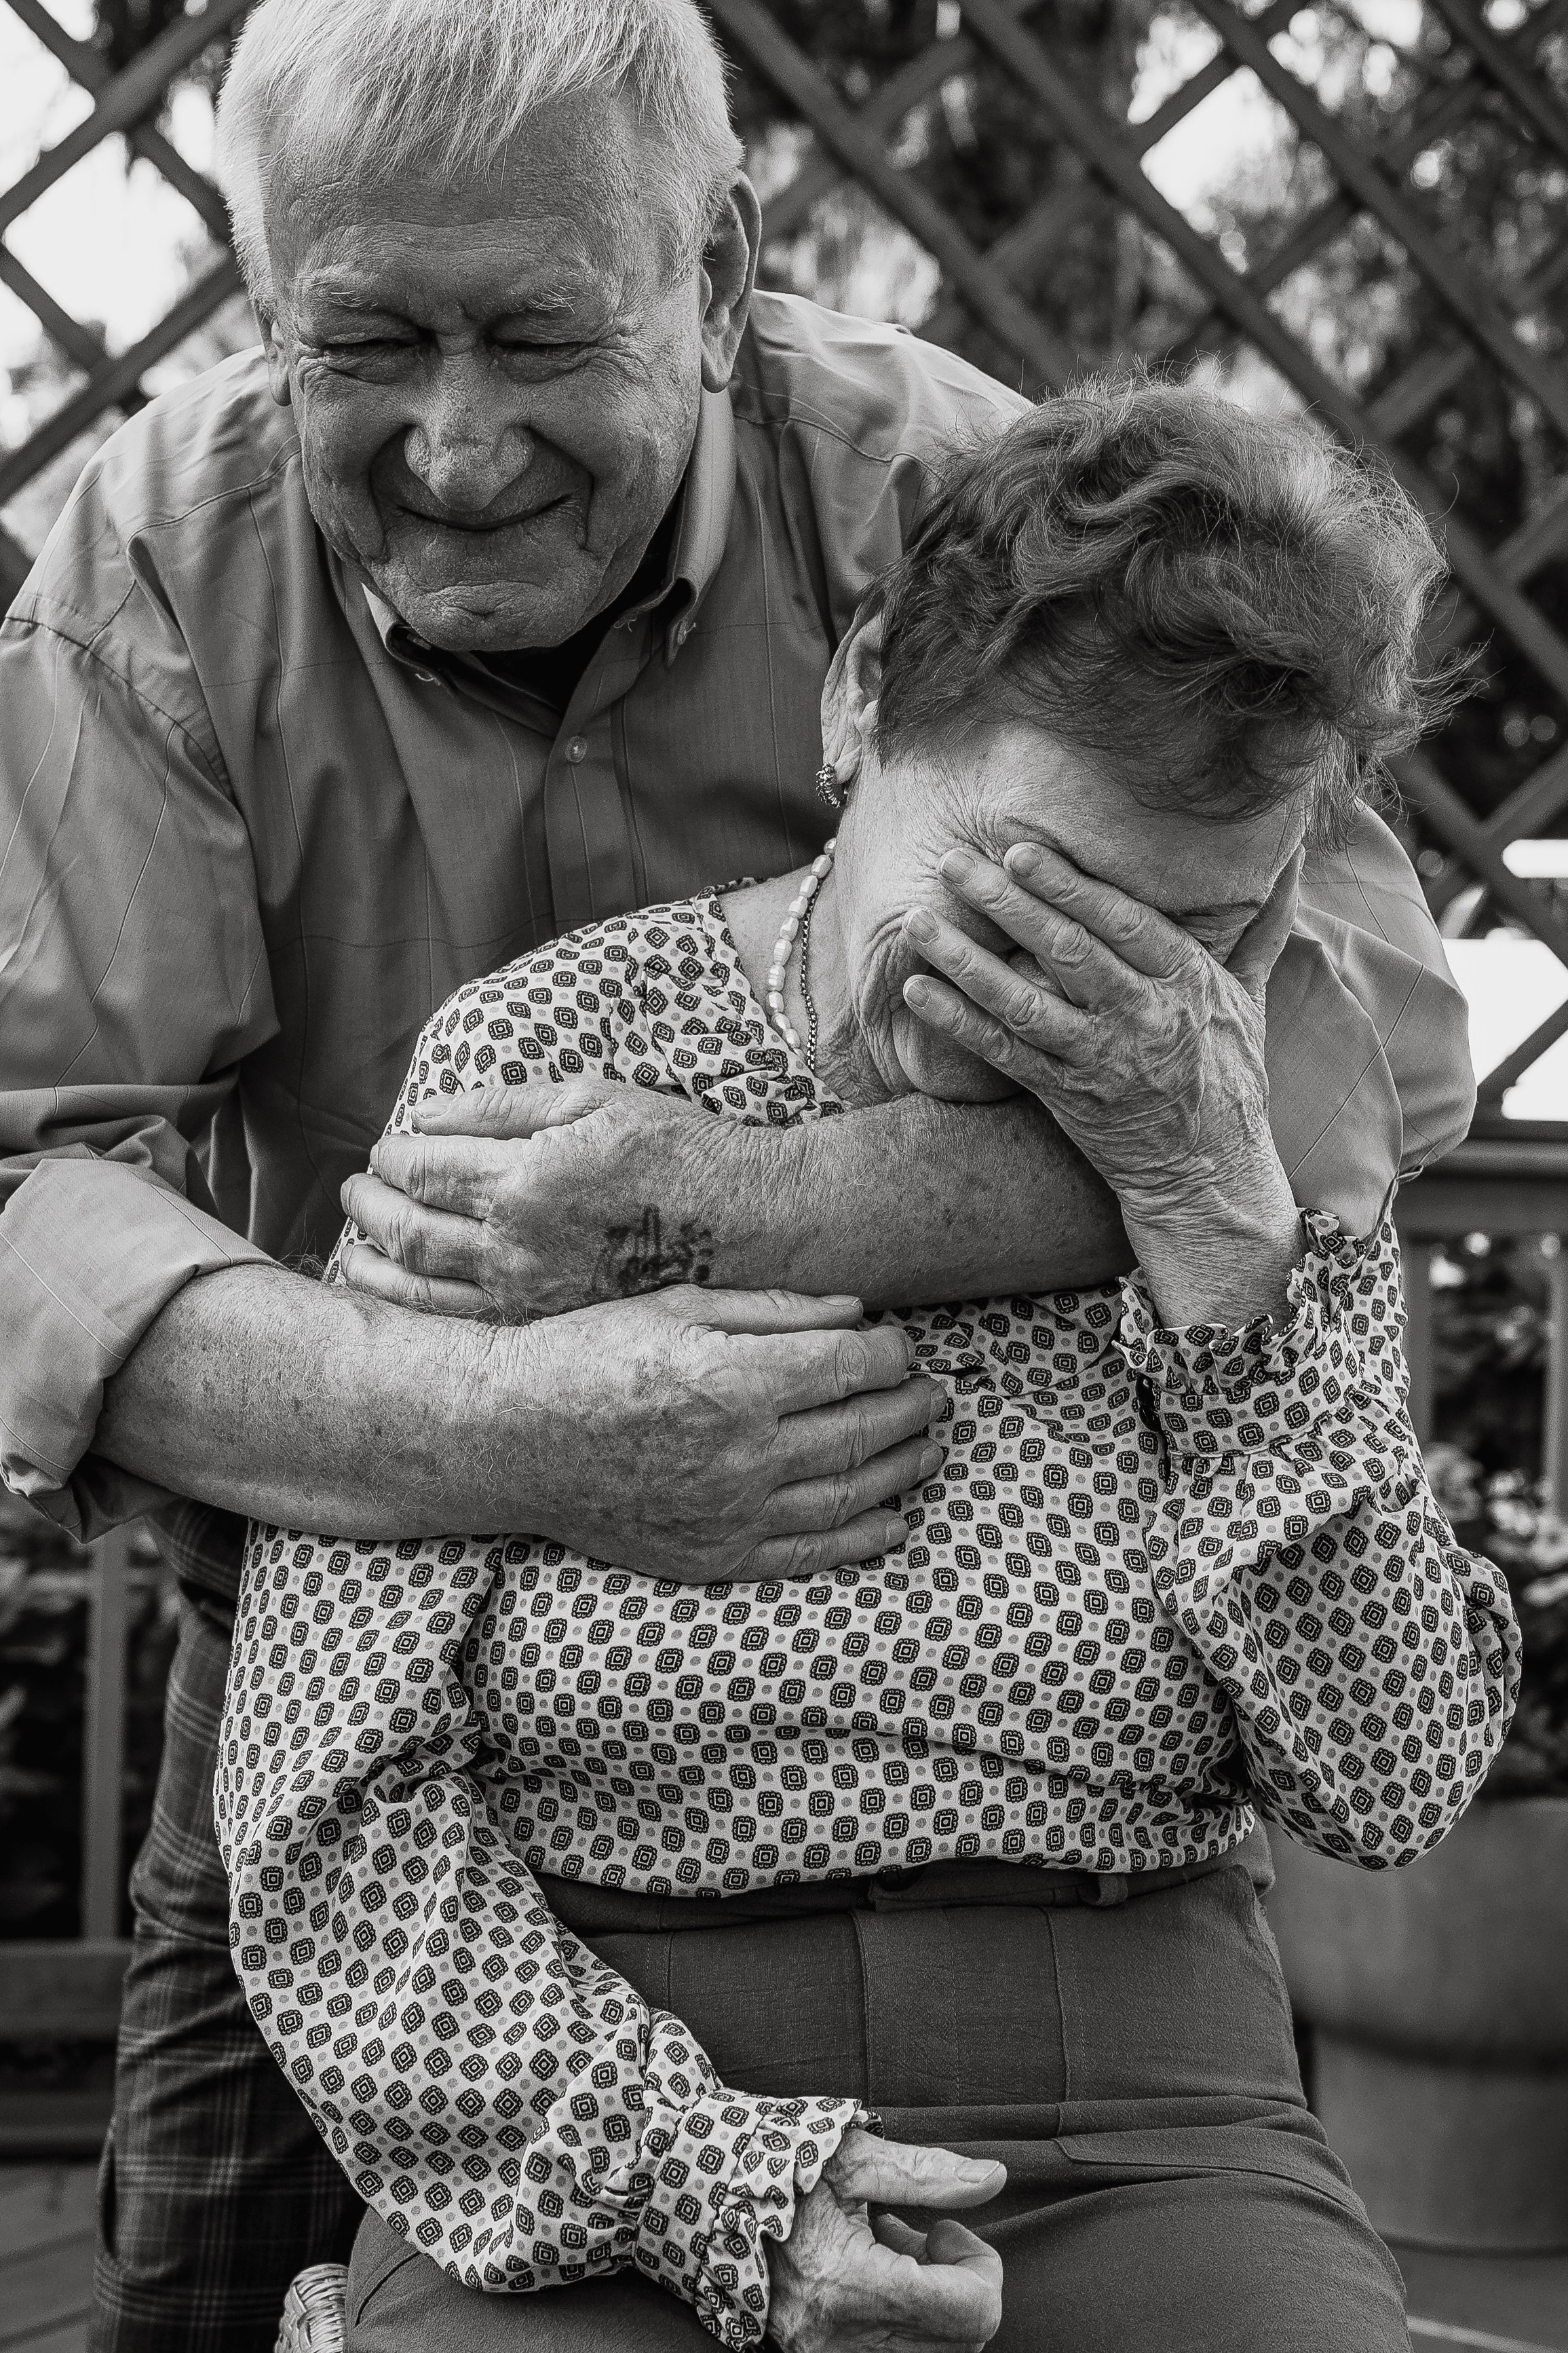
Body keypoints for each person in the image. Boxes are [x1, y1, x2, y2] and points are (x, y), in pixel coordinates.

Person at [0, 1, 1471, 2346]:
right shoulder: (138, 578)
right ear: (258, 287)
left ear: (715, 262)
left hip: (1108, 2025)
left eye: (544, 334)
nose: (457, 445)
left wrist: (714, 1202)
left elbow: (1339, 1051)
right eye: (362, 339)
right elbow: (28, 1199)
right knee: (193, 2281)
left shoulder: (991, 515)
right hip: (359, 1634)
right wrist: (520, 1425)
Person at [217, 384, 1518, 2353]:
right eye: (1010, 887)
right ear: (858, 708)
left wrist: (1226, 1246)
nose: (1066, 1010)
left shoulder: (1240, 1098)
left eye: (1187, 925)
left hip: (1146, 2122)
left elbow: (1391, 1774)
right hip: (609, 2097)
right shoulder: (550, 1063)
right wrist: (705, 2173)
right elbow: (331, 1791)